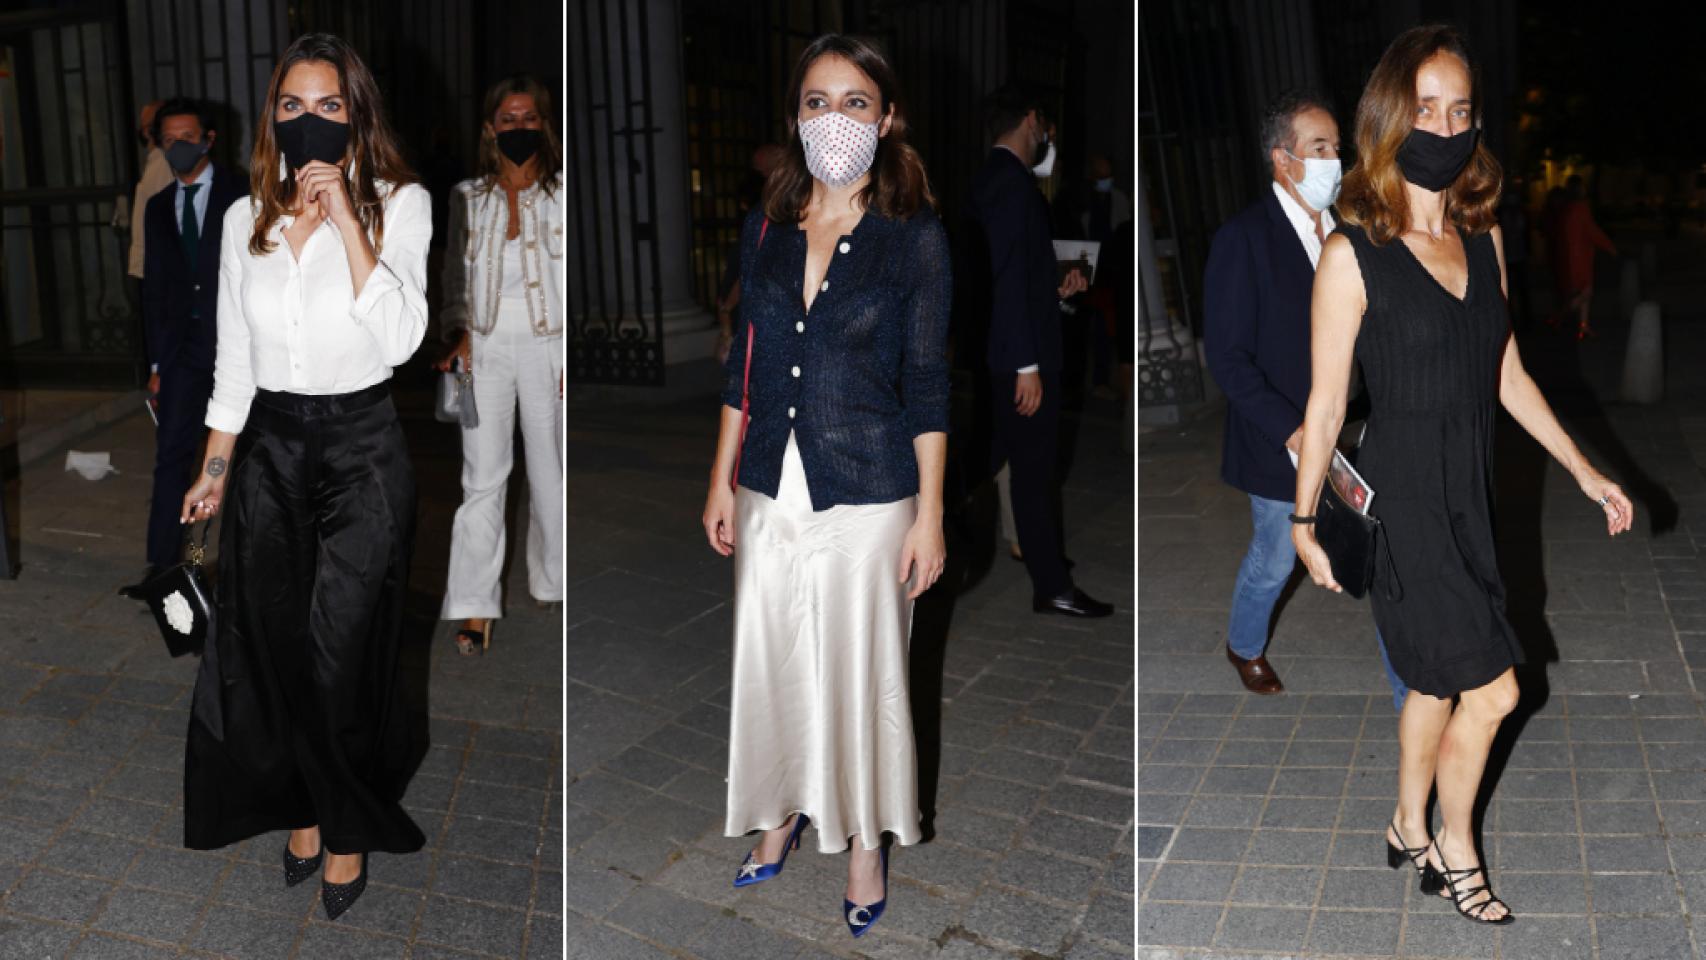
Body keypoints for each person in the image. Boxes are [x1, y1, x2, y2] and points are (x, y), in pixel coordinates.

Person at [1292, 25, 1634, 926]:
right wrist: (1300, 524)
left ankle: (1406, 822)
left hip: (1468, 502)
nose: (1443, 127)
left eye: (1460, 111)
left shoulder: (1482, 243)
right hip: (1404, 511)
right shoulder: (1350, 253)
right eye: (1425, 109)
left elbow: (1508, 374)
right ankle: (1455, 846)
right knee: (1496, 688)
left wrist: (1587, 471)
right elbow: (1326, 407)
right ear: (1390, 119)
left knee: (1437, 686)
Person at [178, 32, 433, 921]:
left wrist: (351, 224)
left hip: (362, 453)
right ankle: (302, 805)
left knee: (342, 656)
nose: (309, 120)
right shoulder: (248, 214)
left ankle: (347, 824)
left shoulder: (402, 202)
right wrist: (214, 469)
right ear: (272, 116)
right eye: (293, 105)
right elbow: (234, 363)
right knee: (278, 653)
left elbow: (402, 339)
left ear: (356, 113)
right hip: (272, 455)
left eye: (329, 105)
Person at [699, 33, 948, 938]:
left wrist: (930, 513)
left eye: (853, 101)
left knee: (864, 671)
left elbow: (928, 383)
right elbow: (744, 369)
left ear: (887, 118)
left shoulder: (912, 236)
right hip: (768, 480)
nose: (832, 118)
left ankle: (865, 842)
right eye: (815, 101)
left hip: (874, 488)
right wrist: (722, 480)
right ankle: (777, 813)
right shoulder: (766, 226)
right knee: (771, 654)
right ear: (794, 117)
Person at [1203, 90, 1407, 704]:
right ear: (1283, 160)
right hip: (1283, 440)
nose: (1334, 161)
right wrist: (1296, 432)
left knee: (1389, 548)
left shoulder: (1349, 233)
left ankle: (1410, 686)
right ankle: (1244, 644)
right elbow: (1229, 360)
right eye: (1319, 149)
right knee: (1275, 557)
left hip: (1358, 431)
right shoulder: (1243, 240)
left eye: (1336, 148)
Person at [966, 85, 1112, 618]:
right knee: (1032, 474)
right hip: (1016, 360)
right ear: (1032, 119)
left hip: (1007, 352)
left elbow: (1013, 277)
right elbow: (1004, 277)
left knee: (1007, 465)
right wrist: (1026, 365)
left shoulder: (998, 180)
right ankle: (1051, 586)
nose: (1049, 138)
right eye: (1046, 126)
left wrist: (1055, 290)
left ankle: (1048, 569)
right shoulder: (1010, 184)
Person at [434, 74, 565, 656]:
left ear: (544, 125)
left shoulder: (564, 195)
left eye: (529, 118)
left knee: (551, 472)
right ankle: (473, 604)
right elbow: (451, 275)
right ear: (491, 128)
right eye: (508, 119)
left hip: (548, 345)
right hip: (481, 348)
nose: (519, 127)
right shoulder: (467, 195)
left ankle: (554, 579)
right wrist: (457, 333)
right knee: (481, 478)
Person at [117, 98, 248, 600]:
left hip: (237, 347)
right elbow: (155, 289)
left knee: (242, 460)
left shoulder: (242, 195)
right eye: (169, 140)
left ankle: (241, 565)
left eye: (188, 137)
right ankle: (164, 567)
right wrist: (155, 362)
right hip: (181, 354)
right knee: (172, 456)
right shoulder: (155, 207)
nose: (179, 146)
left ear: (210, 139)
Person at [715, 144, 786, 365]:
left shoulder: (765, 222)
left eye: (762, 168)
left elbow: (750, 271)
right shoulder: (762, 222)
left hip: (759, 315)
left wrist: (726, 308)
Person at [1544, 174, 1617, 339]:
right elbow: (1592, 232)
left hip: (1568, 257)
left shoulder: (1566, 208)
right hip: (1581, 257)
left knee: (1583, 293)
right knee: (1586, 293)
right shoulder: (1581, 208)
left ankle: (1583, 326)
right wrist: (1610, 247)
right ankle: (1560, 315)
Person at [127, 100, 172, 285]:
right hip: (150, 264)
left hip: (157, 266)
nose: (144, 131)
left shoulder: (163, 164)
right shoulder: (157, 163)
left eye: (147, 125)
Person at [1496, 175, 1532, 332]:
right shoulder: (1504, 215)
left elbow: (1526, 234)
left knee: (1520, 290)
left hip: (1517, 255)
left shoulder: (1516, 214)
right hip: (1511, 256)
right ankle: (1515, 320)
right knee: (1511, 290)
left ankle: (1523, 319)